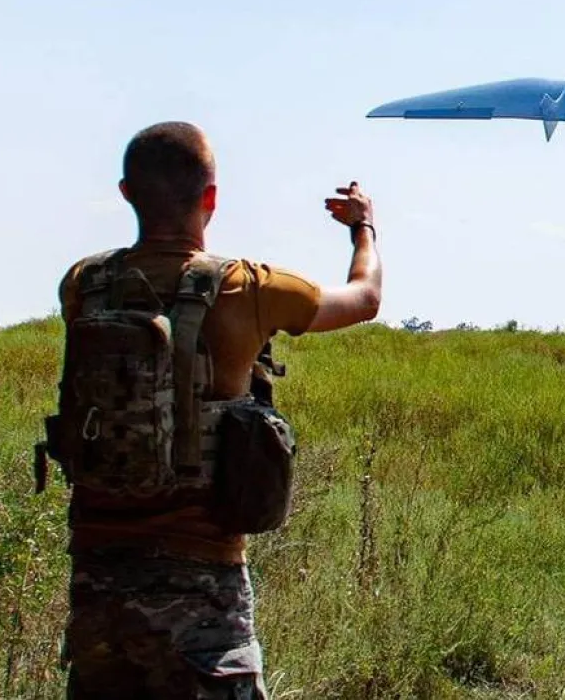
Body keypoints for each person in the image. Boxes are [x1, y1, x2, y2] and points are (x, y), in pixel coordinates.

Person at [56, 121, 382, 698]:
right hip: (205, 592)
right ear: (211, 198)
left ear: (127, 193)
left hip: (98, 584)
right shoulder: (246, 288)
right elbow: (365, 298)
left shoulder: (84, 284)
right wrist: (364, 228)